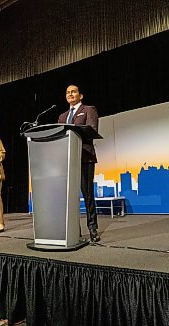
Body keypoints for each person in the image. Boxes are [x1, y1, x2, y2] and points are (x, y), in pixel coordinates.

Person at [58, 84, 100, 242]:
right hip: (67, 159)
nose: (70, 94)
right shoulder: (62, 117)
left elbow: (92, 129)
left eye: (73, 91)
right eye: (68, 92)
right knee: (69, 196)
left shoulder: (89, 109)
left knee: (87, 194)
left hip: (84, 156)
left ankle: (92, 228)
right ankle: (73, 229)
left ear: (80, 95)